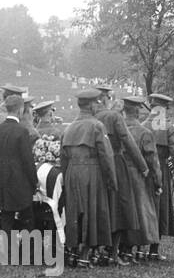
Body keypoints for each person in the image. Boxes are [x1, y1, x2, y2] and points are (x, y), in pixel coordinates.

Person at [58, 88, 116, 267]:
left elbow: (63, 157)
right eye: (96, 103)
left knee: (74, 212)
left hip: (71, 172)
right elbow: (106, 155)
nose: (97, 105)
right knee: (92, 211)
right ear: (91, 105)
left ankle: (73, 252)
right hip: (91, 170)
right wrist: (111, 179)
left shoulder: (69, 127)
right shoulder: (97, 126)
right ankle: (85, 255)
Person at [98, 93, 150, 266]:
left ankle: (101, 251)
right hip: (117, 163)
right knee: (122, 207)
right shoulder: (115, 117)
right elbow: (128, 142)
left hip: (98, 164)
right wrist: (143, 166)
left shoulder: (96, 116)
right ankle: (113, 252)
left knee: (104, 206)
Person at [0, 93, 37, 234]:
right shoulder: (22, 131)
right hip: (20, 182)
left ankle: (6, 252)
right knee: (27, 217)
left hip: (2, 181)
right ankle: (28, 252)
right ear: (20, 109)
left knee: (6, 218)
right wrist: (34, 183)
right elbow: (28, 161)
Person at [144, 92, 174, 255]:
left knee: (144, 206)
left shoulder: (141, 125)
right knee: (160, 208)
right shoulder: (168, 127)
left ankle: (140, 248)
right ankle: (154, 250)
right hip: (161, 168)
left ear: (152, 107)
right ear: (165, 109)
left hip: (143, 169)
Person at [121, 96, 161, 260]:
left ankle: (123, 248)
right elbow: (152, 161)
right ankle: (138, 247)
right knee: (142, 211)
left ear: (124, 110)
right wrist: (158, 181)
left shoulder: (118, 130)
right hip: (139, 176)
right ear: (138, 111)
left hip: (120, 174)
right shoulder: (145, 133)